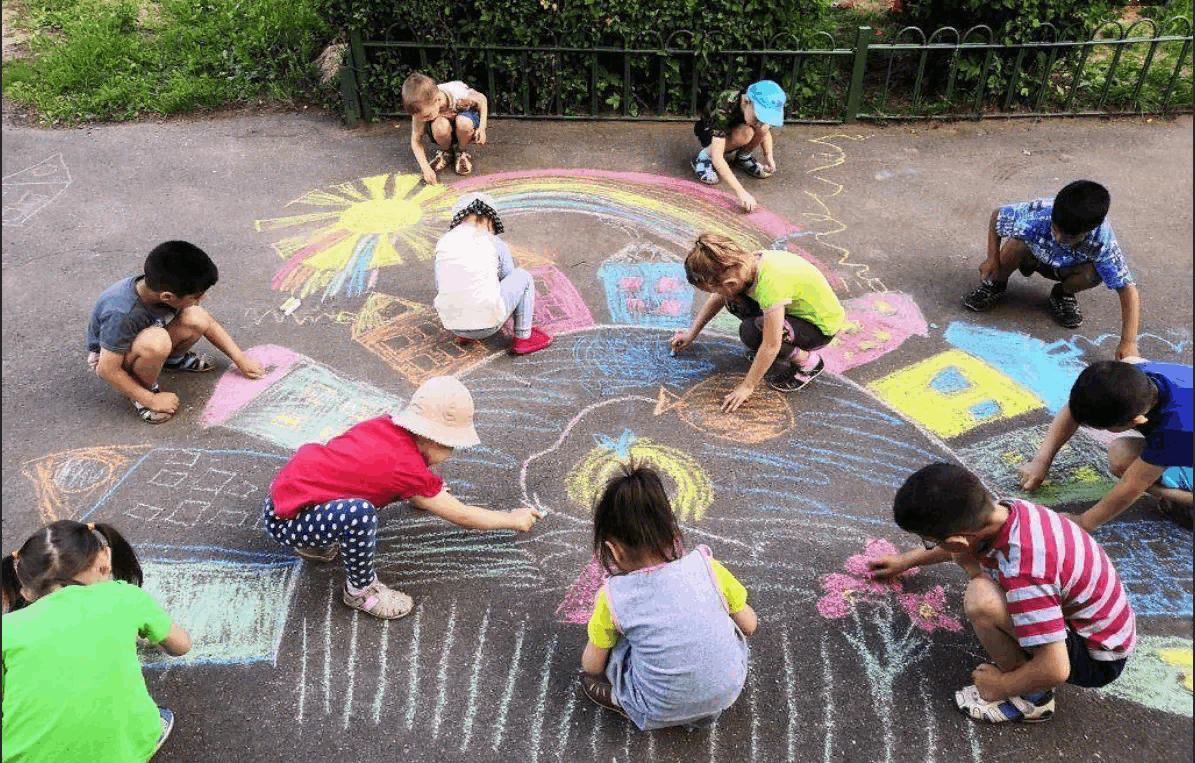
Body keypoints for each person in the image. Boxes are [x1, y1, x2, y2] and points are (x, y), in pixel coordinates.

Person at [869, 463, 1135, 725]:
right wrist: (906, 561)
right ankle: (1029, 651)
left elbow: (1056, 669)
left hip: (1096, 657)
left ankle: (1033, 699)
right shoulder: (1010, 510)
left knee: (981, 599)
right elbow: (961, 542)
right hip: (1103, 628)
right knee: (977, 562)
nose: (930, 546)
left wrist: (1001, 685)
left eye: (930, 542)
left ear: (955, 541)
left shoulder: (1026, 572)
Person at [263, 376, 542, 620]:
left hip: (287, 498)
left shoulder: (384, 425)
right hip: (288, 523)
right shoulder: (407, 470)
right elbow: (464, 516)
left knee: (353, 500)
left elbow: (391, 479)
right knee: (360, 515)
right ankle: (359, 591)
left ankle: (316, 542)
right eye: (452, 447)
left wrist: (425, 492)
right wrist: (512, 519)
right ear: (437, 441)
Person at [579, 464, 757, 731]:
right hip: (728, 691)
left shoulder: (614, 597)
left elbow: (592, 665)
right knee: (720, 617)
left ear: (612, 551)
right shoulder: (708, 568)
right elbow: (749, 625)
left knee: (617, 648)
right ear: (673, 535)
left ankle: (622, 700)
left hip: (657, 706)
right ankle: (702, 701)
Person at [2, 520, 192, 762]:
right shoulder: (125, 596)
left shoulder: (7, 629)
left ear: (25, 591)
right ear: (104, 564)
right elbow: (182, 645)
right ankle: (144, 735)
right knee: (150, 720)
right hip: (121, 754)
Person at [86, 240, 266, 424]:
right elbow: (108, 369)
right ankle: (142, 392)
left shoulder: (160, 286)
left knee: (196, 316)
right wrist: (151, 399)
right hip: (110, 359)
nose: (202, 298)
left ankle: (172, 361)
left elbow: (209, 324)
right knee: (157, 341)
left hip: (143, 340)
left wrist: (240, 359)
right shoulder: (122, 313)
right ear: (167, 297)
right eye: (195, 296)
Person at [963, 180, 1141, 358]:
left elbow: (1127, 289)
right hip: (1032, 256)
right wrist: (992, 258)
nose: (1058, 238)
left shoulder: (1102, 240)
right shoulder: (1039, 212)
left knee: (1094, 274)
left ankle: (1062, 293)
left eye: (1069, 237)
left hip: (1067, 269)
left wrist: (1128, 342)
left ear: (1090, 230)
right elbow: (997, 216)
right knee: (1016, 244)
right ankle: (996, 283)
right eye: (1055, 229)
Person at [670, 232, 845, 411]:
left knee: (752, 332)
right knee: (734, 304)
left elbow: (771, 344)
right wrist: (692, 333)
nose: (716, 293)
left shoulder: (771, 284)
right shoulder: (745, 265)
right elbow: (718, 298)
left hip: (819, 327)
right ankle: (775, 351)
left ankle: (809, 362)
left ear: (730, 282)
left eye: (715, 288)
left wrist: (747, 387)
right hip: (796, 314)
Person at [1018, 359, 1193, 531]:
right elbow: (1076, 409)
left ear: (1137, 420)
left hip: (1185, 434)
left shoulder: (1176, 430)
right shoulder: (1134, 376)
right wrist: (1041, 460)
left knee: (1128, 465)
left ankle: (1180, 503)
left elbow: (1132, 485)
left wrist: (1084, 522)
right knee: (1123, 455)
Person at [433, 192, 554, 355]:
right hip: (488, 325)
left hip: (453, 325)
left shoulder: (444, 242)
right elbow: (508, 276)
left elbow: (441, 284)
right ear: (489, 220)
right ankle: (524, 338)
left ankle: (465, 335)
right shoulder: (494, 241)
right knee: (522, 276)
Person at [691, 80, 786, 212]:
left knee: (760, 129)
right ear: (746, 103)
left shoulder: (751, 110)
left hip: (734, 128)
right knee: (747, 133)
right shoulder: (726, 102)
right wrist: (741, 192)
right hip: (710, 133)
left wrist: (768, 156)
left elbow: (765, 131)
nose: (760, 123)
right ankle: (704, 156)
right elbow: (718, 157)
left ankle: (743, 157)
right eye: (758, 118)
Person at [402, 72, 488, 183]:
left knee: (464, 122)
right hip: (445, 125)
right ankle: (446, 152)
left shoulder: (459, 94)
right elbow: (416, 140)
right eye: (420, 118)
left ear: (437, 100)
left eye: (427, 116)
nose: (423, 120)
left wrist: (482, 128)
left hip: (463, 121)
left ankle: (460, 152)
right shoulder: (421, 108)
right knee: (440, 125)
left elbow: (482, 99)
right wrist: (426, 169)